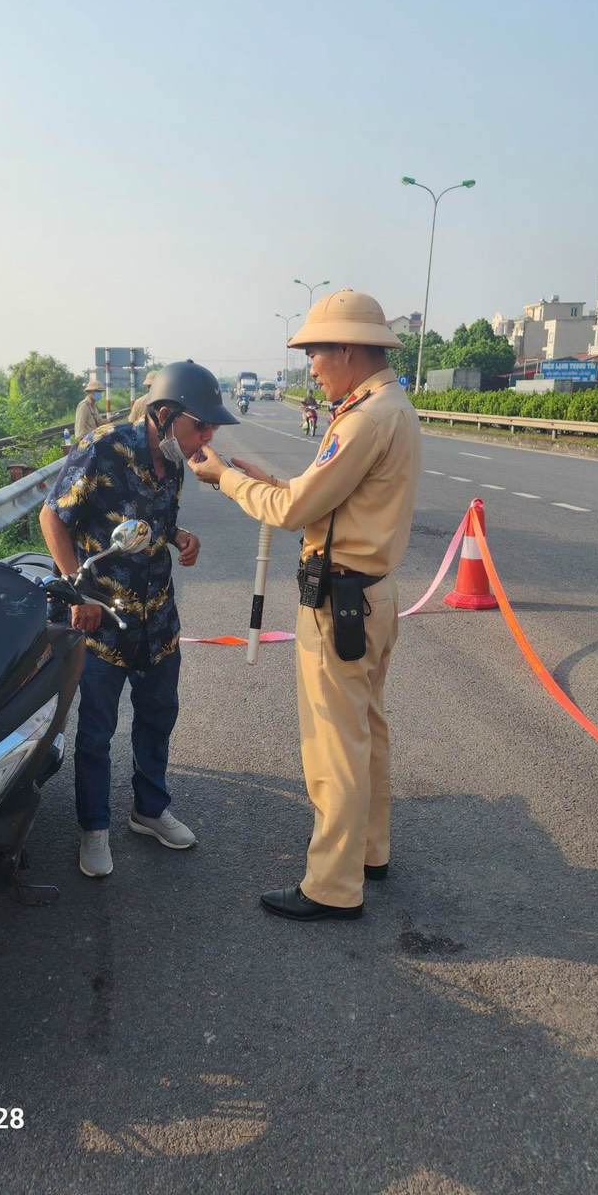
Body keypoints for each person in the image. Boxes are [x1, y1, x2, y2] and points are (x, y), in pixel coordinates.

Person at [187, 290, 421, 922]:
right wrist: (263, 481)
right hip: (371, 593)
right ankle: (369, 852)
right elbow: (324, 501)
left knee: (332, 745)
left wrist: (226, 479)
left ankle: (332, 886)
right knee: (366, 730)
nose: (311, 366)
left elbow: (293, 511)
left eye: (315, 351)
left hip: (341, 600)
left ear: (347, 348)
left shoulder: (364, 420)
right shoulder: (385, 407)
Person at [40, 360, 239, 878]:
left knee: (158, 717)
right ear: (166, 414)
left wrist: (180, 537)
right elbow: (51, 516)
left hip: (158, 621)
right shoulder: (103, 447)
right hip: (102, 619)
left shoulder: (173, 460)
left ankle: (149, 811)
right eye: (202, 424)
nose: (208, 436)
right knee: (97, 731)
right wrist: (76, 591)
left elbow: (158, 519)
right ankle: (94, 828)